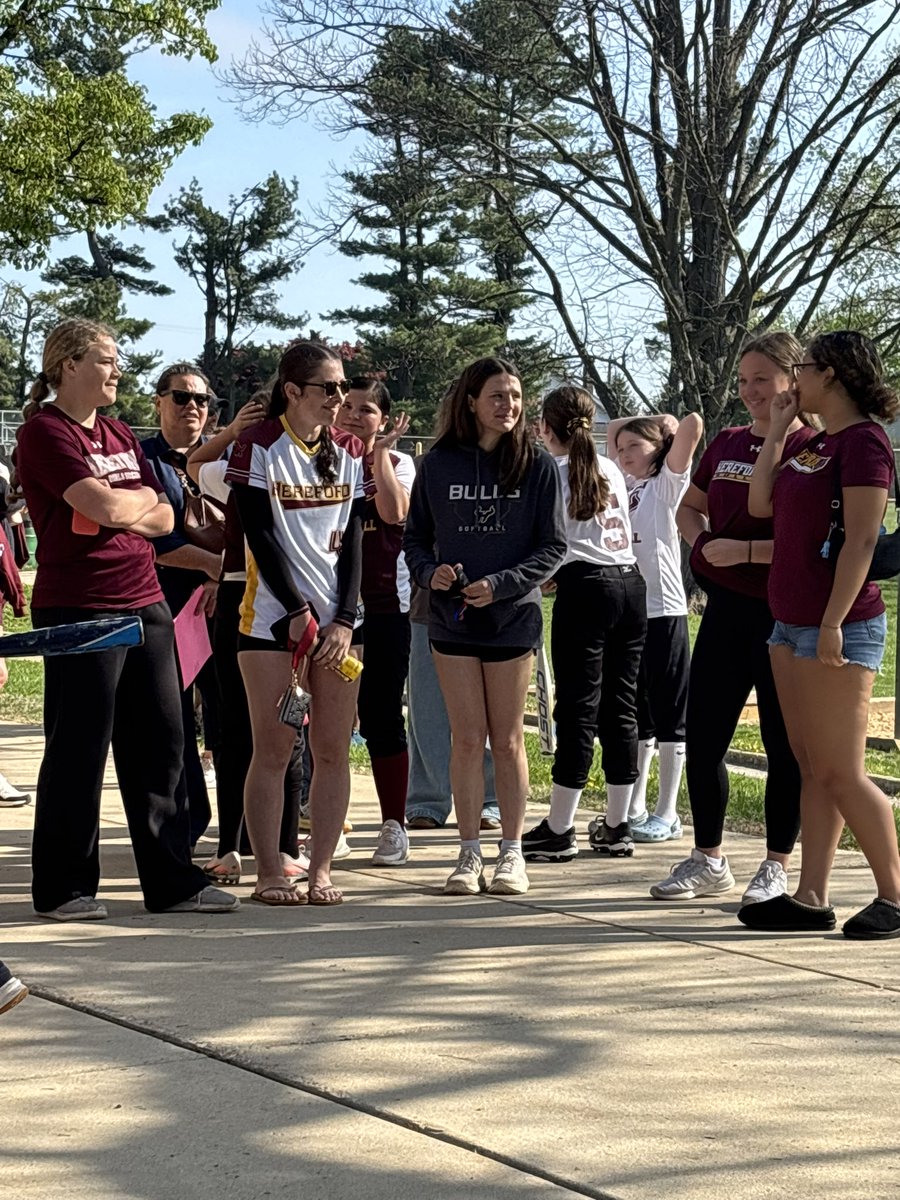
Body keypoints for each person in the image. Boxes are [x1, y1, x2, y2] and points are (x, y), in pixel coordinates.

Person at [15, 319, 237, 919]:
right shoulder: (44, 433)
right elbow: (102, 505)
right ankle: (64, 887)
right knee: (79, 747)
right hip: (81, 605)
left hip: (145, 600)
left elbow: (164, 516)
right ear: (68, 365)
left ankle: (172, 881)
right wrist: (124, 509)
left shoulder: (117, 432)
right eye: (107, 360)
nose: (118, 371)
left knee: (163, 741)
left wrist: (124, 511)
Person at [741, 331, 900, 939]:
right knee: (811, 767)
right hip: (790, 621)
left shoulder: (865, 445)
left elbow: (861, 538)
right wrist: (778, 434)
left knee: (842, 771)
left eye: (801, 367)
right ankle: (810, 896)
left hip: (839, 624)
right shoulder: (819, 445)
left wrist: (833, 622)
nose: (792, 378)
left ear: (829, 374)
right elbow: (761, 504)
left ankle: (893, 893)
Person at [650, 332, 814, 906]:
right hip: (725, 613)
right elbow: (687, 509)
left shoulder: (814, 449)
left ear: (794, 379)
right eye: (743, 381)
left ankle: (776, 865)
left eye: (761, 380)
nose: (749, 392)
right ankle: (708, 858)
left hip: (784, 616)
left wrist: (743, 552)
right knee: (704, 737)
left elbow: (814, 542)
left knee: (781, 744)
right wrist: (701, 547)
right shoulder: (726, 443)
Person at [404, 357, 566, 897]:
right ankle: (468, 853)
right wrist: (434, 574)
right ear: (471, 401)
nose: (509, 406)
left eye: (516, 396)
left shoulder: (538, 466)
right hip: (451, 621)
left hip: (512, 619)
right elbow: (416, 541)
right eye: (497, 395)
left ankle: (511, 853)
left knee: (509, 738)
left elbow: (554, 547)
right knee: (467, 739)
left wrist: (501, 585)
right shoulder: (437, 464)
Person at [227, 340, 365, 906]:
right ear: (293, 391)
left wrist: (346, 618)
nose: (339, 398)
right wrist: (297, 612)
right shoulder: (258, 445)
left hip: (338, 628)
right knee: (275, 749)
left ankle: (322, 870)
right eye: (327, 389)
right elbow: (258, 533)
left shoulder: (351, 448)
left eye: (341, 387)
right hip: (270, 624)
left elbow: (355, 539)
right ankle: (269, 871)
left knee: (333, 750)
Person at [186, 396, 310, 886]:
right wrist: (236, 430)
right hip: (244, 589)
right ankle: (232, 847)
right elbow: (195, 464)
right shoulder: (240, 467)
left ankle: (283, 845)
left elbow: (196, 462)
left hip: (296, 595)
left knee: (289, 723)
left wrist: (235, 429)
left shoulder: (313, 467)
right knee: (235, 725)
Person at [521, 386, 647, 863]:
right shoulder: (609, 466)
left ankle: (559, 826)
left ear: (544, 428)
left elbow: (548, 540)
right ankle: (618, 825)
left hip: (586, 586)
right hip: (630, 583)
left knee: (578, 707)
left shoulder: (548, 471)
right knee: (621, 705)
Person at [605, 411, 704, 841]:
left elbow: (694, 425)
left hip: (664, 610)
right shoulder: (620, 485)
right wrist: (632, 424)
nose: (625, 454)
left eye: (636, 447)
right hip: (630, 613)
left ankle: (668, 812)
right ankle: (636, 805)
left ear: (658, 448)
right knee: (637, 712)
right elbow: (609, 433)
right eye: (622, 450)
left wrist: (665, 424)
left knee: (669, 714)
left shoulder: (665, 484)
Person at [141, 365, 224, 847]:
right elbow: (154, 537)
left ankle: (240, 834)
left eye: (202, 400)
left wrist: (224, 574)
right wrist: (215, 566)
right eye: (180, 398)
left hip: (225, 603)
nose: (193, 407)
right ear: (158, 403)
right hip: (166, 602)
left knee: (231, 718)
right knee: (171, 720)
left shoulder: (225, 459)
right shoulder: (141, 459)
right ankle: (187, 823)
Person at [336, 378, 417, 864]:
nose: (351, 415)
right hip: (331, 607)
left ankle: (394, 824)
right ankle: (329, 819)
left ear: (383, 420)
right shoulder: (319, 456)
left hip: (386, 605)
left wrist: (379, 455)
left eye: (365, 409)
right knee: (327, 722)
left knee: (383, 714)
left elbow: (394, 510)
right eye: (344, 405)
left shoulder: (399, 462)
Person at [405, 575, 501, 831]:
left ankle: (488, 798)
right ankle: (427, 800)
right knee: (426, 708)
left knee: (488, 708)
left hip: (492, 603)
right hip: (429, 604)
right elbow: (413, 543)